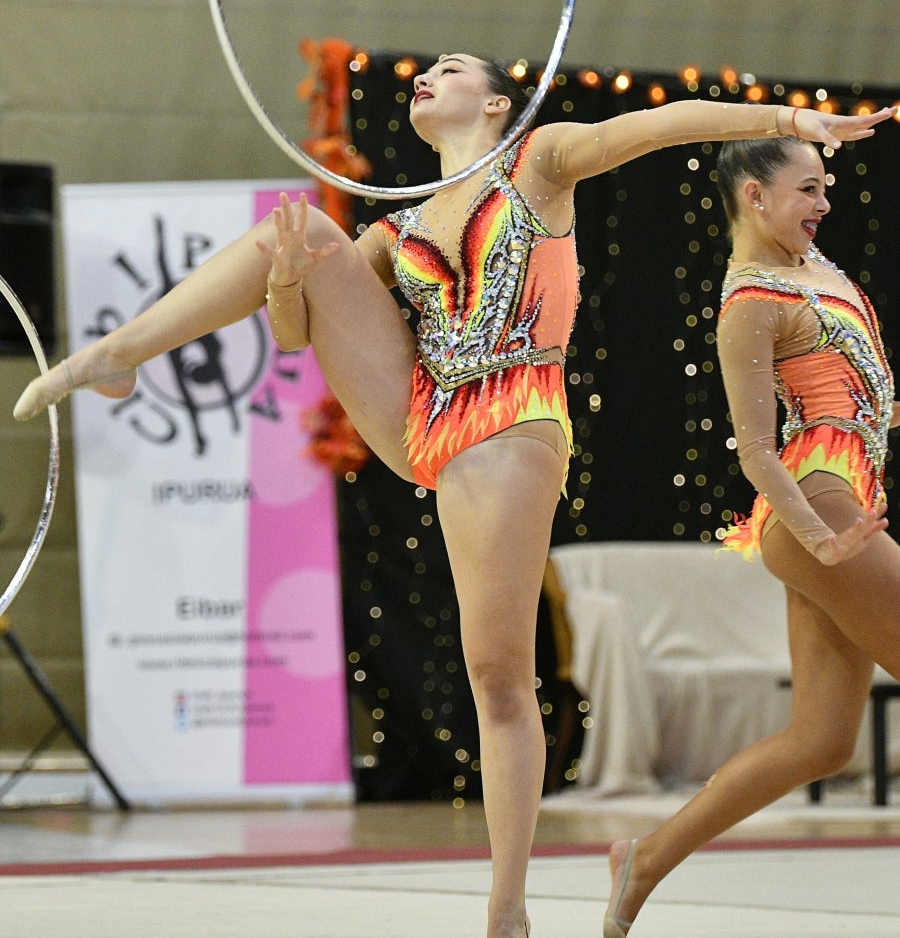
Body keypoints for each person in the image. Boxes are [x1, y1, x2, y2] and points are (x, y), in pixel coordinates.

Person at [14, 55, 894, 938]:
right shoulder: (398, 232)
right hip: (422, 414)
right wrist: (286, 277)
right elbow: (294, 333)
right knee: (308, 234)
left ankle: (506, 907)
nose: (428, 78)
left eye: (452, 69)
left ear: (499, 103)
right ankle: (119, 352)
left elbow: (669, 124)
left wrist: (788, 123)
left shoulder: (539, 163)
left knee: (497, 677)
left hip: (513, 417)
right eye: (425, 73)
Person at [603, 132, 900, 938]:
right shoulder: (751, 301)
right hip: (818, 506)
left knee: (821, 741)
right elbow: (757, 451)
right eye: (808, 189)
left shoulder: (820, 274)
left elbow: (857, 396)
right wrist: (822, 540)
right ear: (755, 197)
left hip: (841, 501)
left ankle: (648, 856)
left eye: (825, 186)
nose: (825, 204)